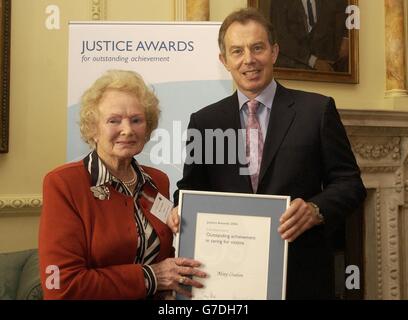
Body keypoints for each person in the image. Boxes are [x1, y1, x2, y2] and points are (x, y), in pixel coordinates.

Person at [170, 8, 366, 299]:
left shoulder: (317, 111)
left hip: (300, 277)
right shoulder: (206, 121)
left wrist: (315, 209)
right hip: (226, 280)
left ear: (274, 52)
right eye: (237, 51)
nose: (248, 59)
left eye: (257, 47)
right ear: (224, 61)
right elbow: (191, 189)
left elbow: (351, 184)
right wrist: (179, 210)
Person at [39, 70, 206, 299]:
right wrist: (151, 277)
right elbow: (60, 285)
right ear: (93, 129)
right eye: (113, 120)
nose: (127, 130)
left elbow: (168, 255)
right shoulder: (64, 184)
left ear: (147, 129)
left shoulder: (157, 181)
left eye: (136, 120)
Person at [270, 0, 349, 72]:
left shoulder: (332, 3)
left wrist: (346, 38)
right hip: (292, 66)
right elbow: (283, 40)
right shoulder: (279, 2)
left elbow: (345, 14)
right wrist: (313, 61)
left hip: (328, 64)